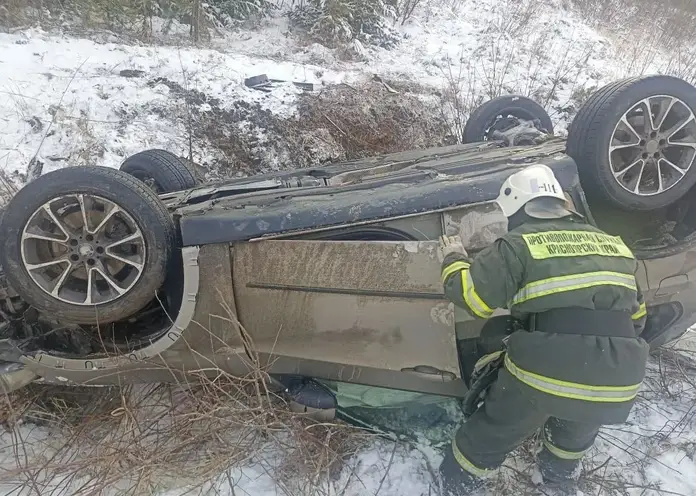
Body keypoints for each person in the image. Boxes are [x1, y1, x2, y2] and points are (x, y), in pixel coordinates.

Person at [436, 163, 649, 495]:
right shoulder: (614, 245)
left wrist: (453, 258)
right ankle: (557, 479)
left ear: (518, 207)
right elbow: (639, 318)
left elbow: (473, 300)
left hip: (547, 370)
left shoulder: (519, 244)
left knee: (492, 432)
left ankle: (455, 482)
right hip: (619, 377)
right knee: (575, 427)